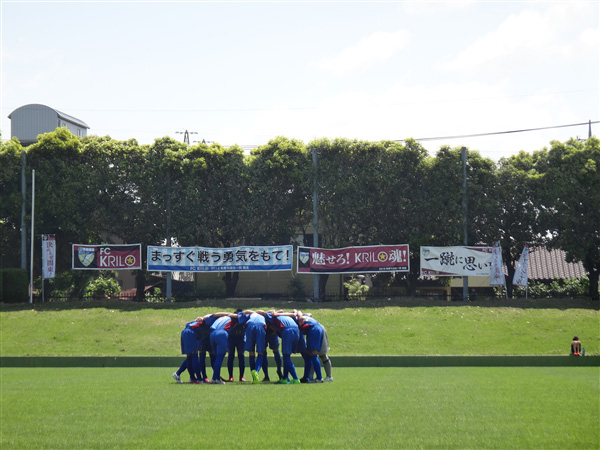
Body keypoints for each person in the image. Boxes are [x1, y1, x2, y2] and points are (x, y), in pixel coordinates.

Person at [262, 309, 301, 384]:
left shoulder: (271, 317)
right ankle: (285, 377)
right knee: (287, 356)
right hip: (296, 330)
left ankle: (295, 378)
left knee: (286, 357)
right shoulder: (284, 316)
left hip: (287, 330)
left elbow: (266, 313)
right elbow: (291, 312)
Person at [238, 310, 268, 384]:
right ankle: (256, 371)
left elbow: (243, 314)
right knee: (261, 352)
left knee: (251, 352)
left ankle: (253, 375)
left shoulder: (250, 315)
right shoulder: (262, 315)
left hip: (250, 325)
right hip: (260, 326)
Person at [209, 312, 239, 384]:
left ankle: (215, 377)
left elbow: (213, 315)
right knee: (220, 357)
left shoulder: (221, 317)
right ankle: (215, 378)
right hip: (222, 333)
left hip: (212, 333)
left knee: (215, 357)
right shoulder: (232, 318)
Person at [173, 318, 204, 384]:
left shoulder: (194, 322)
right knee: (194, 355)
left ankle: (192, 378)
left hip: (184, 332)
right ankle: (199, 378)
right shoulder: (208, 322)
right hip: (191, 333)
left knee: (189, 357)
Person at [226, 309, 246, 382]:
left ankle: (241, 376)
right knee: (231, 356)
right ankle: (231, 376)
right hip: (231, 338)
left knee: (241, 356)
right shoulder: (231, 320)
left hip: (240, 339)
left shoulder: (244, 319)